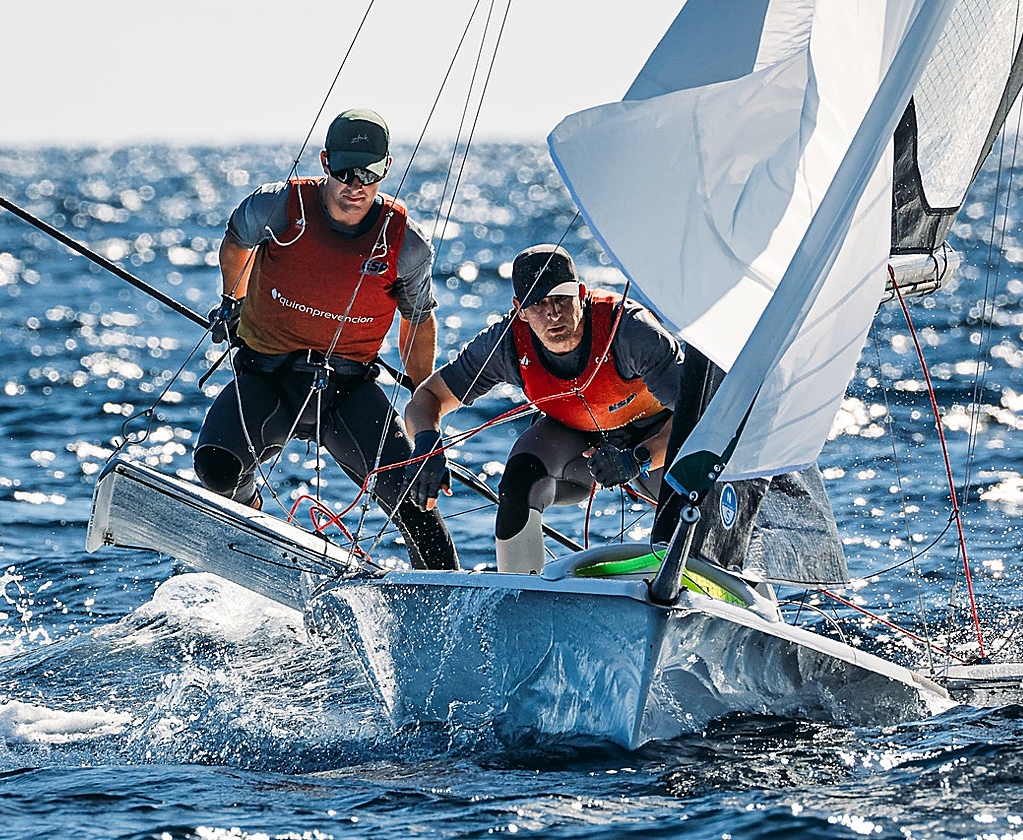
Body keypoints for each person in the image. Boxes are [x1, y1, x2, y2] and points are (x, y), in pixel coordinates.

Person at [194, 108, 458, 571]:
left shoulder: (407, 244)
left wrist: (424, 423)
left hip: (347, 391)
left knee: (418, 507)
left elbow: (417, 322)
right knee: (215, 468)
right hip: (266, 377)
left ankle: (448, 607)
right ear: (323, 162)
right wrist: (231, 300)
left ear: (386, 170)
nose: (356, 185)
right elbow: (236, 242)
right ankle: (249, 511)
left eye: (370, 173)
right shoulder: (275, 206)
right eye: (344, 172)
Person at [403, 244, 682, 573]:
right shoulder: (506, 343)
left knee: (693, 494)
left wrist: (639, 457)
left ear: (581, 293)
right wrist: (426, 445)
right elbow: (426, 398)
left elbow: (701, 415)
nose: (553, 313)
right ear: (520, 309)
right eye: (538, 303)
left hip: (661, 442)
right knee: (521, 476)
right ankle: (521, 593)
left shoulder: (630, 332)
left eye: (562, 299)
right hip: (577, 449)